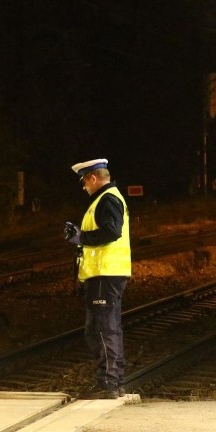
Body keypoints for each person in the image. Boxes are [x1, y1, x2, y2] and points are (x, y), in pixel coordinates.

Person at [65, 158, 131, 399]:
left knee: (103, 329)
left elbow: (111, 231)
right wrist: (80, 239)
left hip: (106, 272)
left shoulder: (108, 198)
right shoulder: (104, 199)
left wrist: (81, 237)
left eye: (84, 181)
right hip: (102, 273)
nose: (83, 186)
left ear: (93, 178)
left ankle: (108, 384)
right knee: (102, 329)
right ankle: (113, 381)